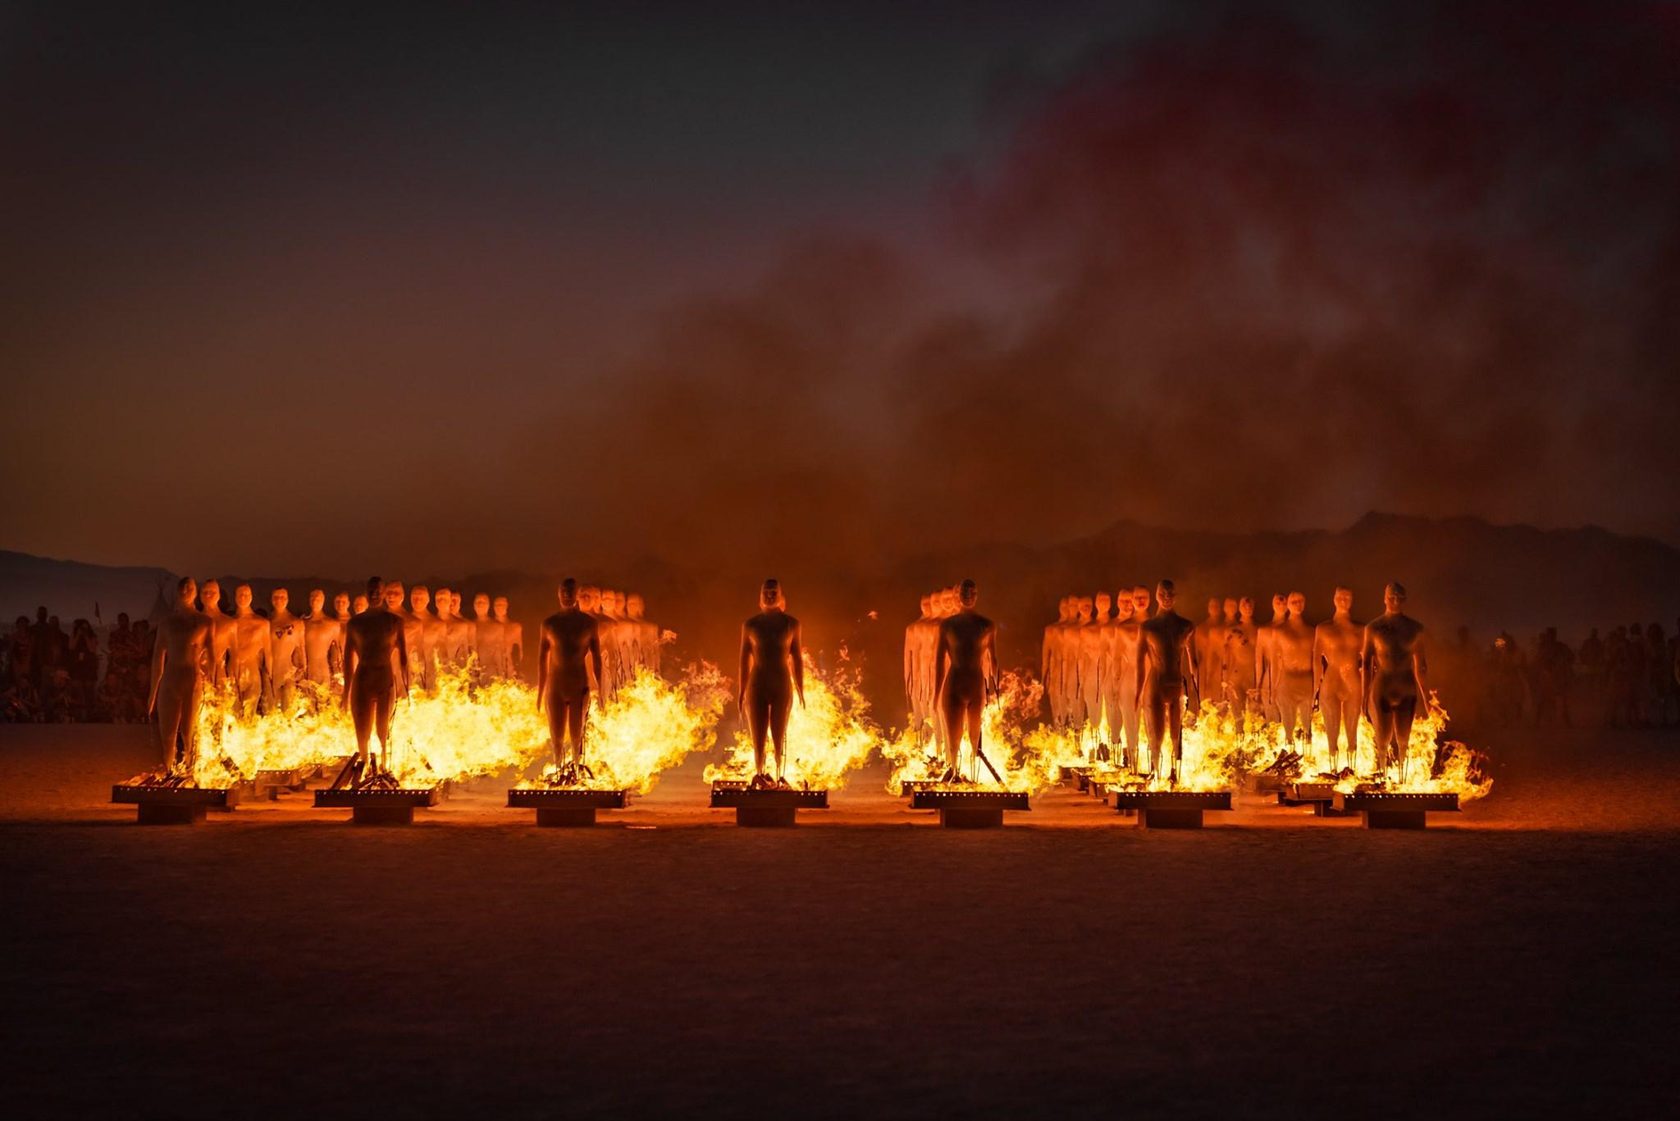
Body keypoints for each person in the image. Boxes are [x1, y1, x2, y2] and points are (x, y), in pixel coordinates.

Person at [339, 577, 409, 784]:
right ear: (366, 592)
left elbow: (404, 659)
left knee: (383, 729)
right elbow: (347, 660)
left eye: (378, 591)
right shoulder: (355, 623)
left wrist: (407, 689)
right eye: (371, 591)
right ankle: (367, 767)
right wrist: (346, 693)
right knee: (362, 729)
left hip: (384, 678)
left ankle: (385, 768)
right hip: (363, 678)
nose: (375, 594)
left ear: (384, 592)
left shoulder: (395, 622)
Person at [737, 579, 805, 788]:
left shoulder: (791, 624)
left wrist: (801, 689)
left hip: (781, 682)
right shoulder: (751, 625)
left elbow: (797, 658)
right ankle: (759, 773)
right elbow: (743, 659)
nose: (769, 596)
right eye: (766, 592)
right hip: (758, 682)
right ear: (760, 596)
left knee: (778, 733)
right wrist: (741, 692)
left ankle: (778, 774)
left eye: (773, 592)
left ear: (780, 595)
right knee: (758, 734)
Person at [1361, 582, 1429, 782]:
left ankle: (1403, 779)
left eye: (1400, 597)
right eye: (1392, 597)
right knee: (1382, 740)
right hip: (1383, 686)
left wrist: (1427, 700)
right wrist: (1364, 698)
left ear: (1405, 599)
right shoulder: (1374, 628)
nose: (1395, 601)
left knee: (1404, 740)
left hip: (1406, 687)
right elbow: (1365, 664)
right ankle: (1382, 777)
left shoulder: (1415, 628)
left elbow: (1421, 666)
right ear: (1385, 598)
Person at [932, 579, 1000, 782]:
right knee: (953, 740)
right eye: (964, 592)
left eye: (972, 593)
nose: (968, 596)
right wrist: (935, 696)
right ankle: (954, 773)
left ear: (977, 596)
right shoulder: (947, 625)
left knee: (974, 736)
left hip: (976, 684)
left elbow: (994, 660)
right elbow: (938, 662)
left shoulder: (987, 625)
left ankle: (973, 777)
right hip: (954, 684)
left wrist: (996, 688)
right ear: (957, 596)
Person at [537, 578, 604, 782]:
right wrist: (540, 694)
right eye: (563, 592)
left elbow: (598, 659)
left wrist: (600, 691)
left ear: (576, 595)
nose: (566, 595)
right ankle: (559, 773)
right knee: (556, 737)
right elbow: (542, 661)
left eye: (570, 592)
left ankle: (577, 773)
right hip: (556, 686)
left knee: (577, 736)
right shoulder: (549, 624)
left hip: (578, 685)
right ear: (558, 594)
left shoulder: (589, 623)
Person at [146, 577, 215, 776]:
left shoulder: (204, 622)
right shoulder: (167, 623)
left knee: (189, 732)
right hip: (171, 679)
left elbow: (212, 657)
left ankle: (191, 772)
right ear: (178, 592)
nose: (186, 590)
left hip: (192, 679)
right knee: (168, 734)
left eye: (190, 587)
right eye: (183, 588)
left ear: (195, 592)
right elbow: (157, 659)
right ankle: (168, 771)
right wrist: (152, 692)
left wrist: (214, 683)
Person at [1135, 579, 1199, 784]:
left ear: (1176, 596)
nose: (1167, 598)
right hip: (1156, 684)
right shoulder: (1148, 627)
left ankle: (1173, 774)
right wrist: (1137, 694)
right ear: (1157, 595)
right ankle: (1156, 773)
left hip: (1176, 685)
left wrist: (1198, 693)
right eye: (1163, 594)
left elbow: (1193, 662)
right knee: (1157, 735)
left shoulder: (1186, 626)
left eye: (1170, 594)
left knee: (1175, 735)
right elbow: (1139, 664)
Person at [1312, 587, 1363, 772]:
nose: (1343, 600)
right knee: (1331, 729)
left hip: (1352, 680)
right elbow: (1316, 660)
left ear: (1352, 600)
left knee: (1352, 729)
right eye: (1340, 597)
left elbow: (1368, 660)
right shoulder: (1324, 629)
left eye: (1347, 597)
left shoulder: (1360, 629)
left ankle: (1352, 768)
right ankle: (1333, 768)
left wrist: (1368, 689)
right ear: (1334, 599)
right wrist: (1314, 690)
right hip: (1331, 679)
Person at [266, 588, 306, 713]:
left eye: (282, 597)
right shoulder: (267, 623)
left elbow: (301, 647)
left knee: (289, 711)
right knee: (272, 713)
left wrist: (303, 667)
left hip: (289, 671)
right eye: (276, 597)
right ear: (272, 600)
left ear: (287, 600)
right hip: (271, 670)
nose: (279, 600)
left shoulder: (297, 622)